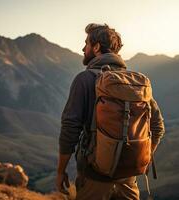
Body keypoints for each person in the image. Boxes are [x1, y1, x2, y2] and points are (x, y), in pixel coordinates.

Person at [56, 23, 165, 200]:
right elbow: (158, 127)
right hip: (128, 179)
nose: (83, 48)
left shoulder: (85, 79)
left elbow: (70, 128)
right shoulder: (135, 83)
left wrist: (61, 171)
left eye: (86, 43)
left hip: (94, 178)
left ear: (97, 47)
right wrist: (141, 158)